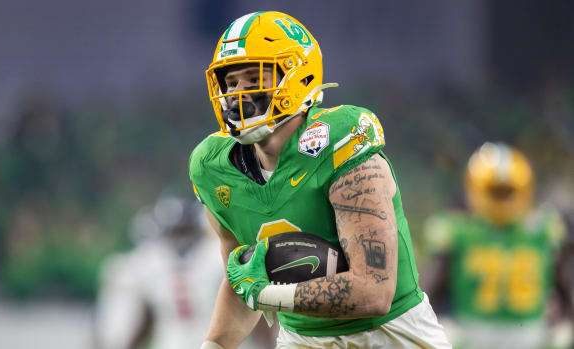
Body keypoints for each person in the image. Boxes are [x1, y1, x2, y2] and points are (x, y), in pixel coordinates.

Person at [189, 11, 451, 349]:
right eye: (231, 82)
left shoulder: (340, 140)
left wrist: (266, 292)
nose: (238, 92)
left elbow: (374, 292)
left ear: (297, 75)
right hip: (303, 341)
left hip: (390, 336)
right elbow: (243, 280)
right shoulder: (212, 168)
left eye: (253, 78)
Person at [421, 142, 573, 349]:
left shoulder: (543, 233)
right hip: (470, 338)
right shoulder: (459, 233)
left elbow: (565, 286)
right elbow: (428, 292)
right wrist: (439, 325)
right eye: (495, 192)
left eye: (507, 192)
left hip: (533, 339)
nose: (502, 200)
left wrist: (564, 324)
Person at [95, 195, 276, 349]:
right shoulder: (220, 255)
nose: (180, 240)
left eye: (183, 232)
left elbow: (137, 324)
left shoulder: (149, 261)